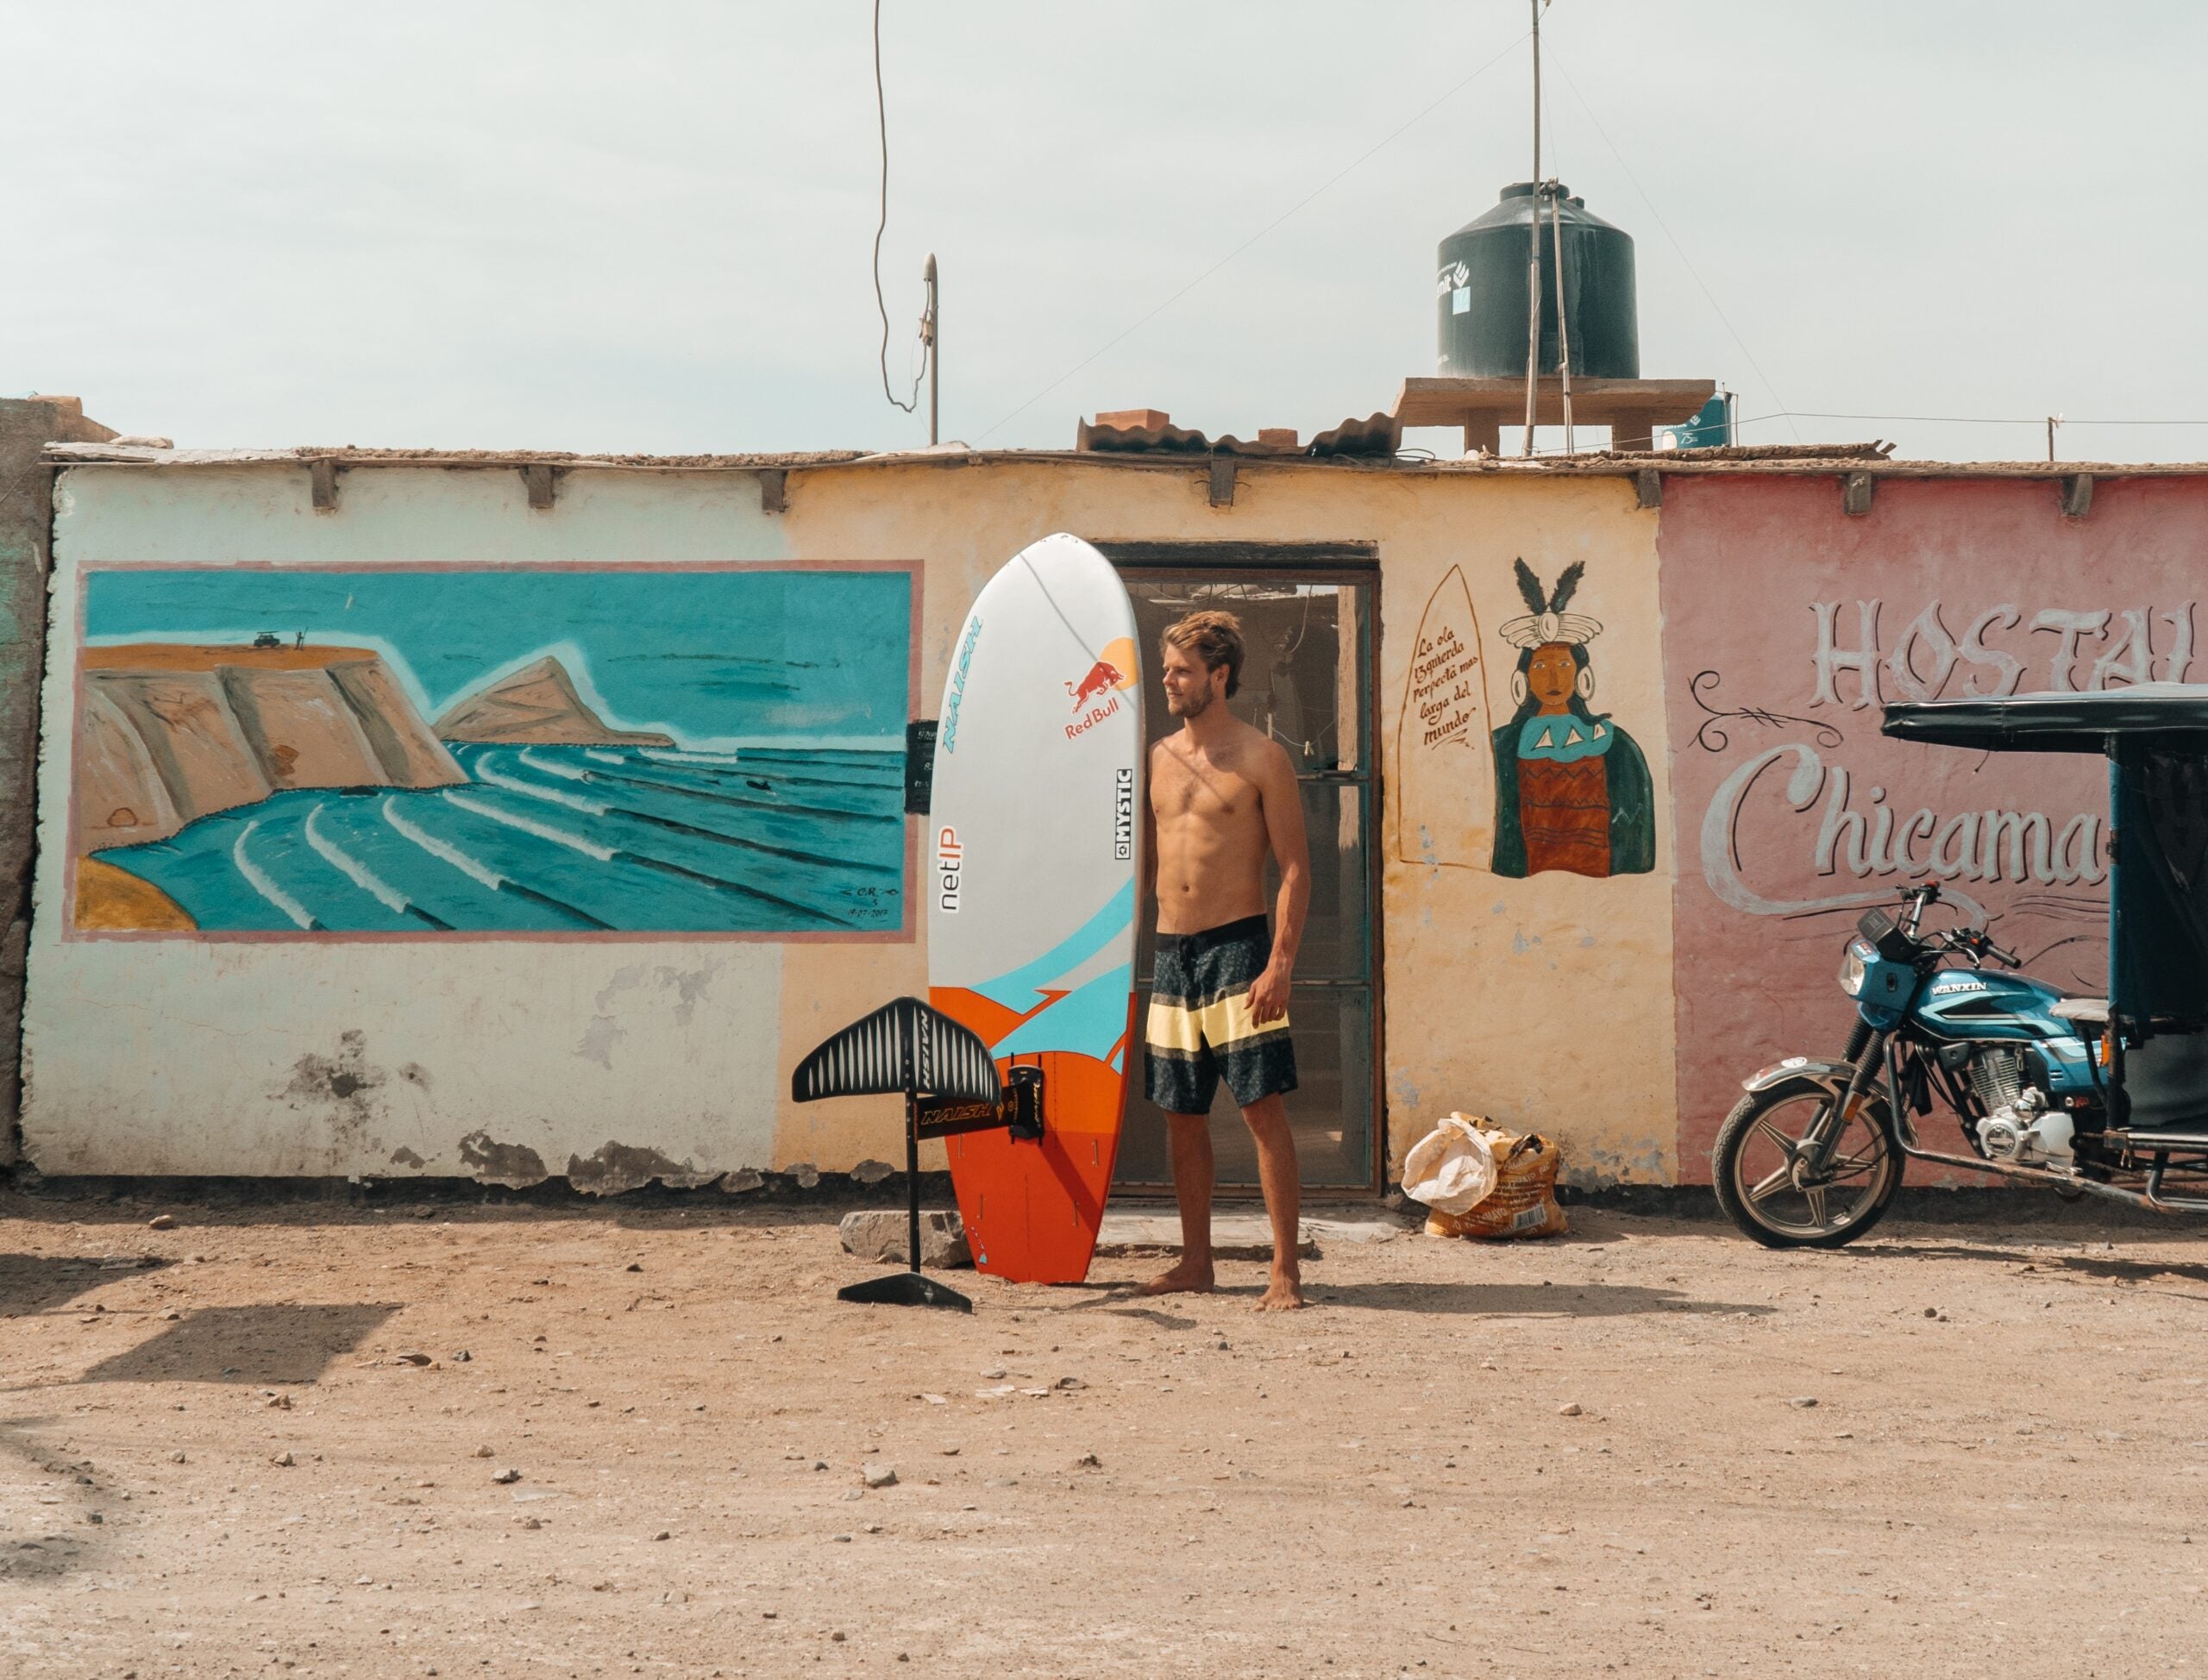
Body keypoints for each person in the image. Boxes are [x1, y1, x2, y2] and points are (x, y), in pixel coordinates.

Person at [1138, 609, 1311, 1310]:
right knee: (1181, 1115)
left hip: (1238, 948)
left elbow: (1297, 868)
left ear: (1220, 675)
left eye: (1182, 670)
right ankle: (1196, 1261)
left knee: (1260, 1111)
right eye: (1167, 669)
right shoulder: (1156, 756)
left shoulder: (1262, 757)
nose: (1169, 681)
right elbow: (1145, 860)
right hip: (1171, 953)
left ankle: (1285, 1272)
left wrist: (1281, 964)